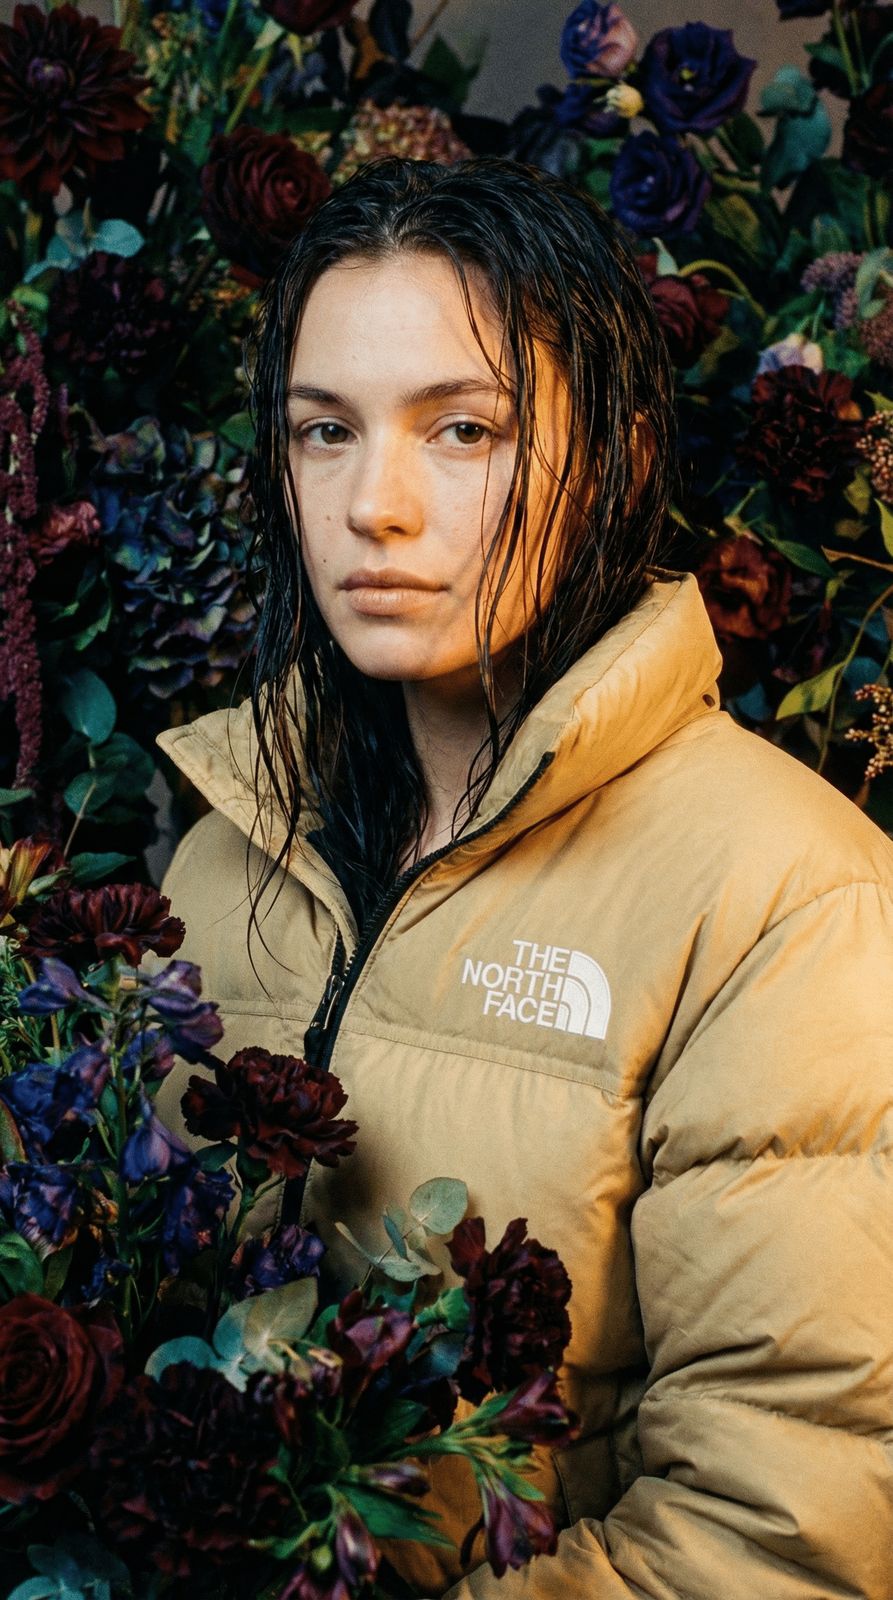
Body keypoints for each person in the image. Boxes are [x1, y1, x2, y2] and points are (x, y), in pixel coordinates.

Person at [155, 156, 893, 1599]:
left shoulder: (792, 901)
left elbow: (779, 1536)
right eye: (324, 431)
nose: (375, 504)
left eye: (464, 430)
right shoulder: (213, 850)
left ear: (612, 457)